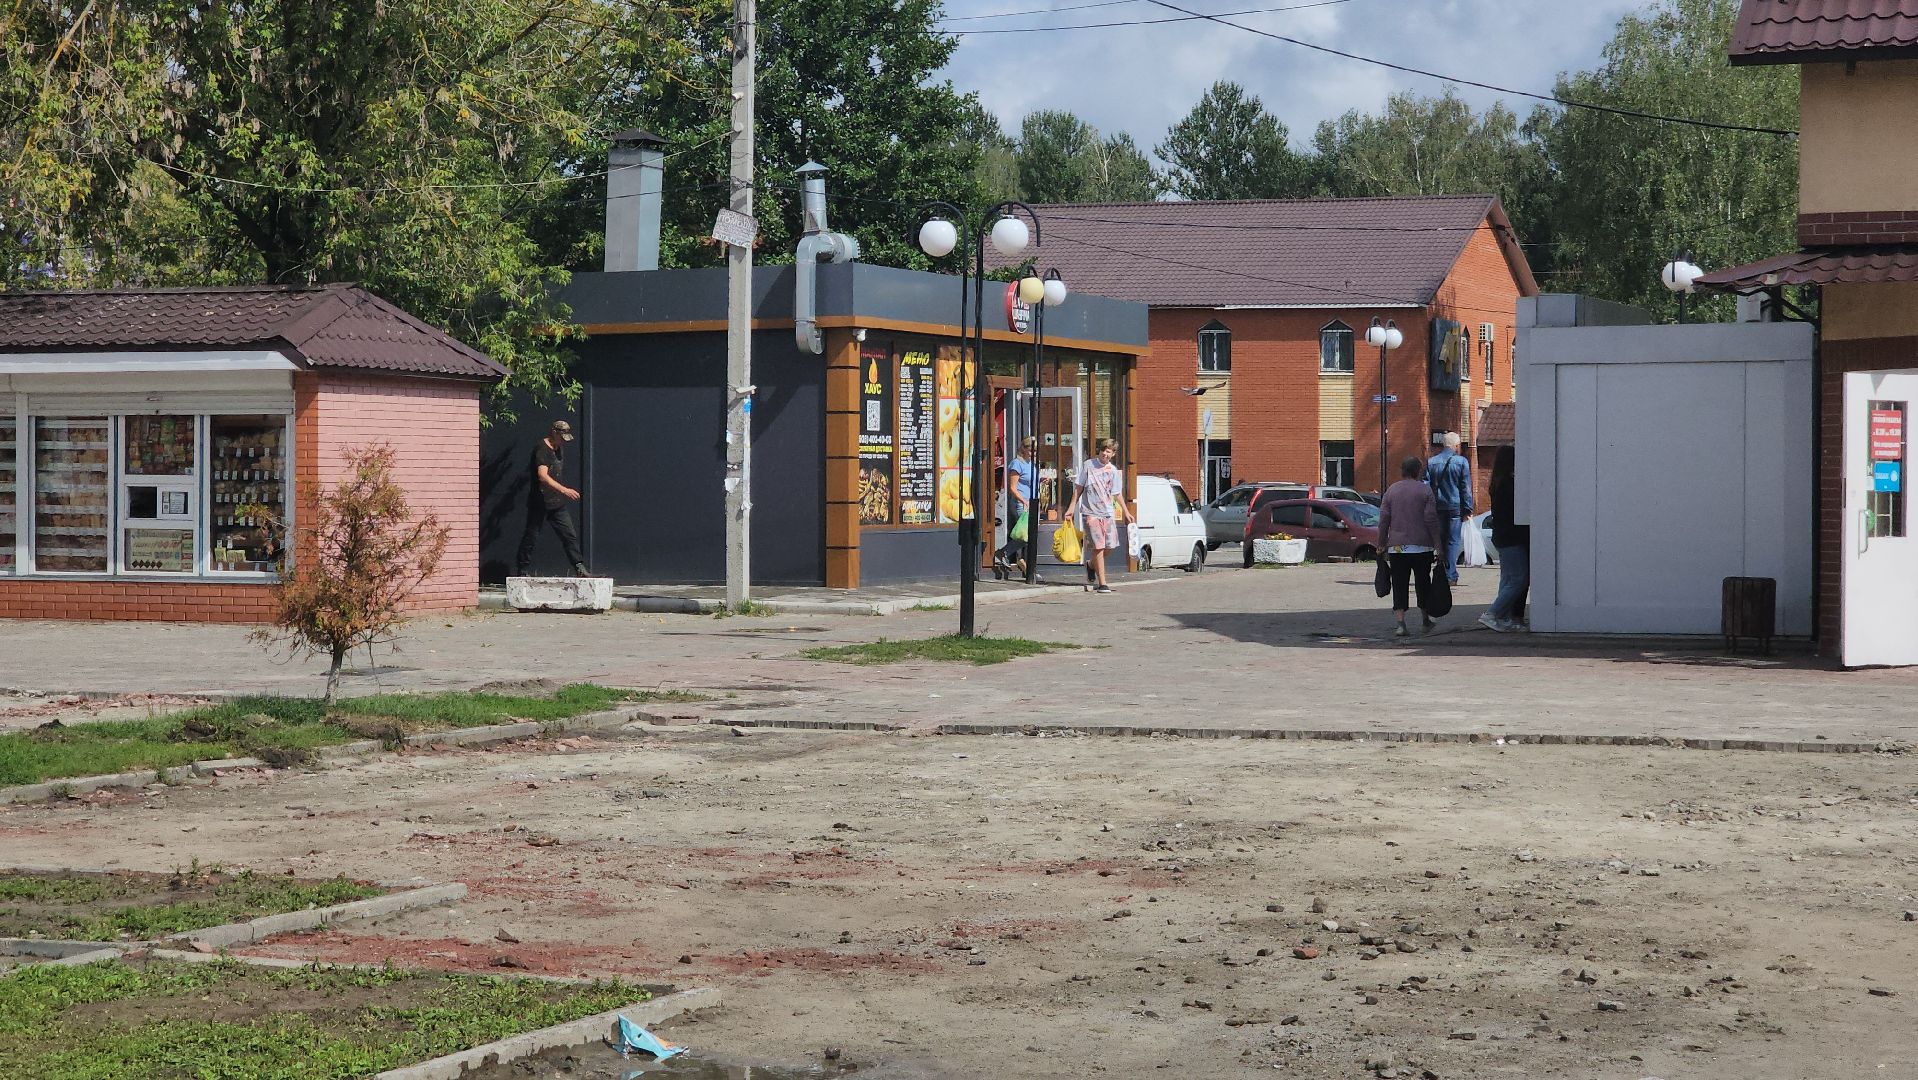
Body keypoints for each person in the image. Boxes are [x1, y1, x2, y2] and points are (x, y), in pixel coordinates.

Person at [1377, 455, 1442, 638]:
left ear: (1402, 470)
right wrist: (1438, 545)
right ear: (1418, 471)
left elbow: (1384, 520)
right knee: (1423, 584)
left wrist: (1381, 544)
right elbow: (1431, 519)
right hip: (1422, 547)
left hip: (1397, 547)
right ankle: (1425, 620)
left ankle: (1400, 624)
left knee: (1399, 584)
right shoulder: (1425, 491)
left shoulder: (1391, 491)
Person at [515, 420, 590, 577]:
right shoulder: (542, 449)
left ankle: (579, 568)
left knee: (569, 534)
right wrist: (564, 490)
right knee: (532, 536)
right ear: (554, 433)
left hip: (556, 503)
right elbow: (542, 476)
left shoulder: (558, 448)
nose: (563, 441)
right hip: (540, 501)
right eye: (561, 437)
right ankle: (522, 570)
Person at [1063, 438, 1126, 594]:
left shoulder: (1112, 470)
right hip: (1090, 512)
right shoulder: (1088, 465)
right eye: (1103, 450)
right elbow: (1078, 488)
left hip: (1107, 512)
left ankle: (1091, 565)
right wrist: (1071, 508)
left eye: (1108, 451)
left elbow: (1117, 493)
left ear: (1113, 454)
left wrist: (1126, 511)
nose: (1105, 453)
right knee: (1098, 547)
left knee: (1110, 546)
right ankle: (1103, 583)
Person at [1481, 445, 1530, 632]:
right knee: (1519, 579)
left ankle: (1504, 616)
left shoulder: (1497, 484)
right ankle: (1492, 613)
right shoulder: (1511, 484)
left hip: (1501, 536)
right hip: (1512, 537)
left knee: (1508, 578)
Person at [1426, 431, 1473, 586]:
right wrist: (1468, 509)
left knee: (1439, 540)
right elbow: (1465, 487)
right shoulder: (1461, 462)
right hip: (1455, 506)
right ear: (1456, 445)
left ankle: (1440, 570)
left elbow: (1425, 485)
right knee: (1452, 541)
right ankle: (1450, 574)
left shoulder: (1432, 462)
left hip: (1437, 505)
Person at [998, 437, 1037, 578]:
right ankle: (1005, 553)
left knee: (1030, 535)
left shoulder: (1031, 463)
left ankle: (1025, 565)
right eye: (1030, 449)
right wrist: (1024, 501)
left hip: (1032, 503)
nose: (1033, 453)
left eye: (1035, 450)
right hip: (1021, 503)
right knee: (1024, 534)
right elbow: (1013, 488)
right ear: (1024, 448)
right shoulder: (1017, 463)